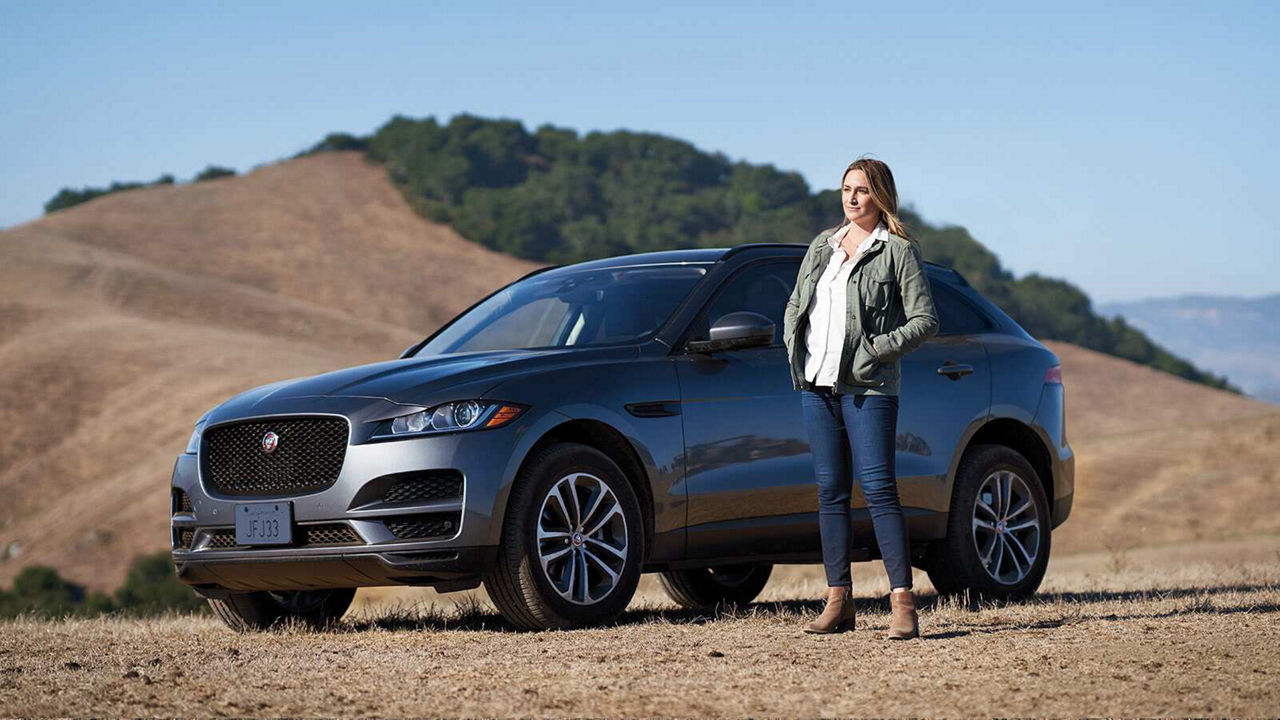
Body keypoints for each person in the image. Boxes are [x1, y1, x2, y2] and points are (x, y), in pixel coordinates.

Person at [781, 157, 939, 639]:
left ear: (881, 196)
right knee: (830, 493)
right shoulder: (822, 247)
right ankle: (838, 600)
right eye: (847, 189)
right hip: (817, 385)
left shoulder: (897, 252)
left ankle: (903, 604)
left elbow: (924, 320)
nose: (852, 198)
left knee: (878, 490)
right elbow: (797, 302)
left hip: (868, 386)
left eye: (862, 191)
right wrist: (794, 338)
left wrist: (875, 349)